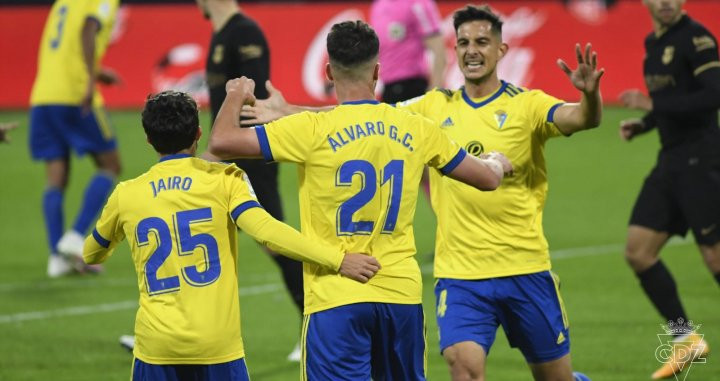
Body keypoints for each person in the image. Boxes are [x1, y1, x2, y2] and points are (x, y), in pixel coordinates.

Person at [240, 5, 603, 380]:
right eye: (462, 42)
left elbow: (580, 118)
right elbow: (364, 116)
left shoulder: (528, 105)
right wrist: (289, 113)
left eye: (481, 41)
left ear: (502, 50)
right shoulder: (431, 107)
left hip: (525, 266)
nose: (471, 50)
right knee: (464, 367)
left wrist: (590, 97)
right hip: (460, 273)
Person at [208, 20, 513, 380]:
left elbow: (222, 142)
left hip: (335, 298)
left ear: (328, 71)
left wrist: (235, 93)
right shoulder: (416, 128)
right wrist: (496, 161)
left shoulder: (310, 130)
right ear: (378, 71)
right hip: (400, 297)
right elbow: (486, 179)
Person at [83, 90, 381, 381]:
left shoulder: (127, 194)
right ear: (198, 133)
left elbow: (91, 253)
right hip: (218, 348)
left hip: (155, 348)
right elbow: (267, 232)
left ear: (149, 140)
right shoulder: (226, 180)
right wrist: (338, 259)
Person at [195, 0, 307, 362]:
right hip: (227, 156)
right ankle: (181, 335)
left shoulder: (244, 33)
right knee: (197, 237)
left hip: (250, 159)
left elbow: (251, 104)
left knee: (274, 242)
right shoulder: (222, 33)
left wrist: (218, 153)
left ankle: (315, 324)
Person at [618, 0, 719, 378]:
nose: (665, 3)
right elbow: (674, 103)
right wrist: (645, 123)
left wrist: (654, 103)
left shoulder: (697, 39)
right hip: (671, 161)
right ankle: (686, 339)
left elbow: (714, 95)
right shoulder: (654, 43)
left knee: (715, 259)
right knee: (638, 251)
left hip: (703, 160)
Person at [29, 0, 123, 278]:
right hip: (74, 93)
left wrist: (97, 71)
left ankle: (58, 259)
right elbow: (88, 28)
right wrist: (90, 79)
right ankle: (75, 236)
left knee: (56, 176)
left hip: (43, 95)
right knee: (111, 165)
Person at [370, 0, 446, 103]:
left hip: (413, 88)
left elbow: (439, 50)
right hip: (388, 89)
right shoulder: (378, 5)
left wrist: (435, 93)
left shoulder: (418, 3)